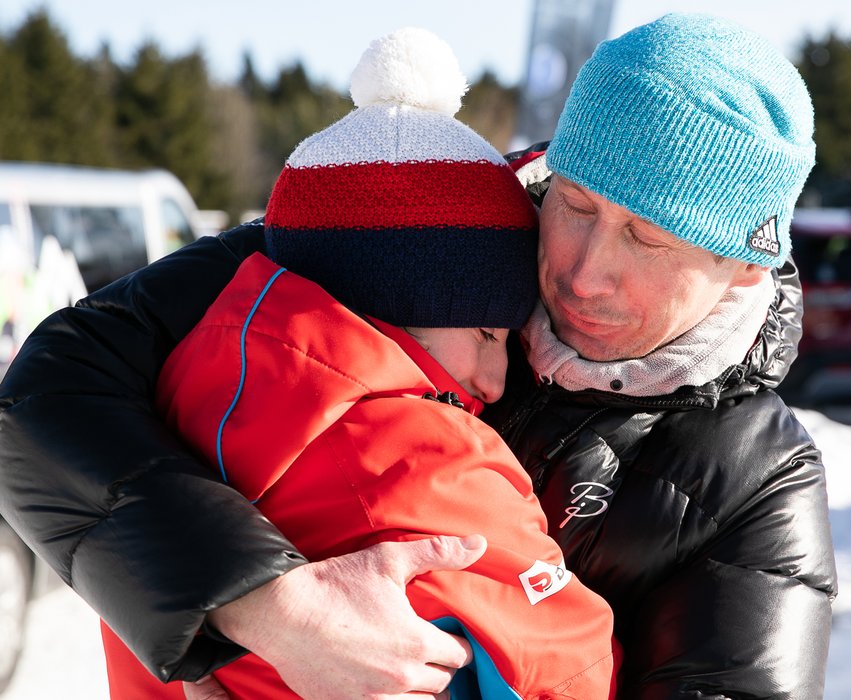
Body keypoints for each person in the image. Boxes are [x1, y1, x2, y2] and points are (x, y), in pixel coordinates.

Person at [0, 13, 838, 699]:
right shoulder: (414, 226)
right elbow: (44, 402)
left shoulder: (760, 481)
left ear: (741, 264)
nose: (581, 271)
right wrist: (268, 608)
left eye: (646, 241)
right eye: (574, 203)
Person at [98, 27, 617, 700]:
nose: (494, 382)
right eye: (487, 333)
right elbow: (572, 670)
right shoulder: (420, 459)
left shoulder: (164, 400)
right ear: (386, 311)